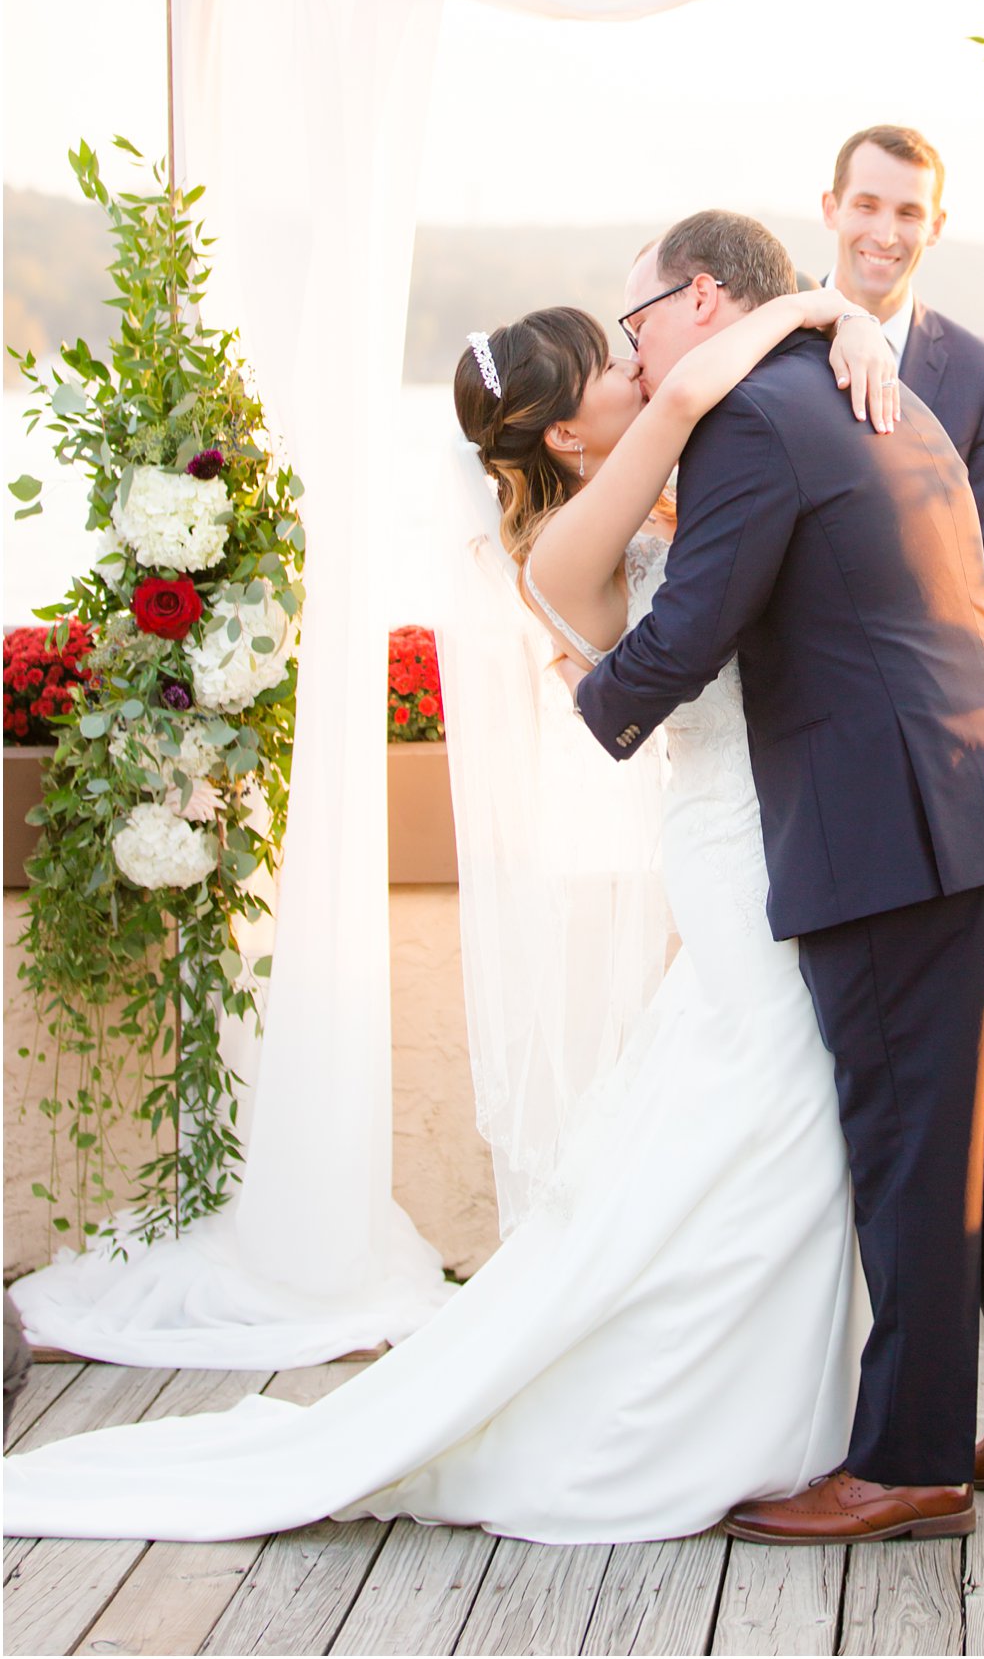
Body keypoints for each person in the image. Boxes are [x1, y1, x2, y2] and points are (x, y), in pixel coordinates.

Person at [2, 275, 897, 1546]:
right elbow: (696, 384)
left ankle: (769, 1413)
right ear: (570, 435)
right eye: (604, 364)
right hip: (737, 848)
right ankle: (714, 1425)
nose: (632, 367)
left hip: (758, 840)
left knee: (754, 1132)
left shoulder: (641, 499)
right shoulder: (577, 542)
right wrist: (823, 305)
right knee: (776, 1120)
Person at [576, 211, 984, 1547]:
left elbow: (693, 625)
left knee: (909, 1140)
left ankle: (909, 1462)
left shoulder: (752, 418)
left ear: (703, 300)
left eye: (638, 326)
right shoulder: (867, 382)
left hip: (896, 822)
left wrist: (584, 698)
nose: (637, 361)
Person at [821, 123, 984, 611]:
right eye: (866, 206)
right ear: (832, 208)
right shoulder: (769, 341)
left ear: (935, 226)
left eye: (909, 213)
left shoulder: (980, 372)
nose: (885, 234)